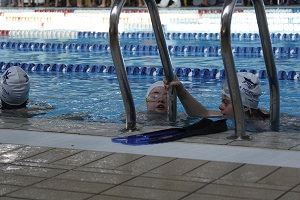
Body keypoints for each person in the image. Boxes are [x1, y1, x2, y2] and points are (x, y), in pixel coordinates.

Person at [167, 72, 269, 120]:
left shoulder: (263, 125)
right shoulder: (234, 116)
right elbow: (203, 113)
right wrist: (180, 89)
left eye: (226, 103)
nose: (220, 106)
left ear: (245, 107)